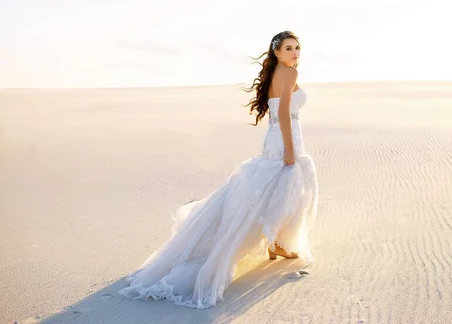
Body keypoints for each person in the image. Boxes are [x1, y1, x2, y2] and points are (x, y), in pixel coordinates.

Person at [119, 30, 319, 309]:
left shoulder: (276, 74)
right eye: (289, 48)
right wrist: (289, 149)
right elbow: (284, 112)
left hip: (275, 136)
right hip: (285, 137)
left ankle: (276, 242)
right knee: (288, 185)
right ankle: (277, 242)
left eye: (297, 48)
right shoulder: (289, 74)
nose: (295, 53)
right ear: (276, 52)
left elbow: (277, 112)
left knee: (277, 186)